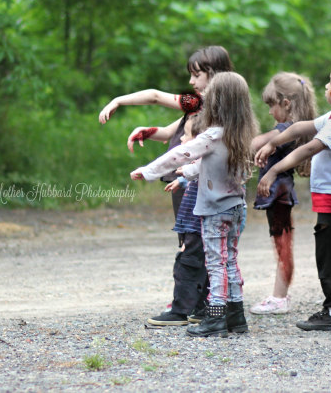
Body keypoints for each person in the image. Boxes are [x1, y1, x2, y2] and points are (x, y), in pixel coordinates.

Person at [99, 46, 233, 320]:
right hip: (182, 180)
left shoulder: (215, 108)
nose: (191, 82)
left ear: (215, 74)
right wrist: (149, 133)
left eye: (197, 75)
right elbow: (172, 133)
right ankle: (200, 303)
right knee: (191, 241)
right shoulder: (196, 103)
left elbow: (155, 96)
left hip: (196, 181)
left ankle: (188, 305)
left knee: (194, 244)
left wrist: (118, 100)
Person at [131, 72, 259, 337]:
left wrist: (149, 170)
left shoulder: (212, 134)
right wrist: (188, 173)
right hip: (236, 208)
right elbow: (211, 163)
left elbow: (180, 153)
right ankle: (237, 315)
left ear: (216, 103)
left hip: (215, 210)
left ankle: (216, 318)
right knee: (230, 262)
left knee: (215, 264)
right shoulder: (240, 133)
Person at [256, 58, 331, 331]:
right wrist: (273, 143)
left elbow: (309, 148)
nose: (325, 86)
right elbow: (301, 128)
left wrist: (273, 172)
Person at [249, 72, 317, 315]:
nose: (269, 111)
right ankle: (280, 295)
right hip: (280, 193)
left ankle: (280, 297)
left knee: (283, 244)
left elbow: (256, 143)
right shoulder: (291, 129)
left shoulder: (286, 130)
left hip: (279, 193)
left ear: (286, 103)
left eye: (271, 105)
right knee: (281, 242)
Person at [147, 115, 208, 326]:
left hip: (198, 223)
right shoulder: (202, 162)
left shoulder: (204, 161)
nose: (181, 139)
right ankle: (202, 308)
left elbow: (197, 171)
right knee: (202, 262)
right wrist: (181, 181)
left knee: (188, 261)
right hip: (194, 223)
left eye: (186, 134)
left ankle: (181, 310)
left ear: (200, 141)